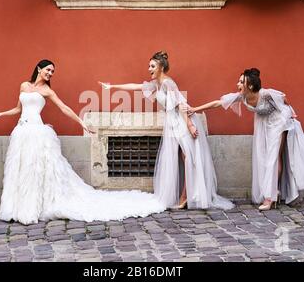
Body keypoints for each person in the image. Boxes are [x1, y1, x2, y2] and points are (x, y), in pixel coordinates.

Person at [0, 59, 165, 225]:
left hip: (38, 133)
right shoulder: (24, 86)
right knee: (22, 169)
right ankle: (17, 208)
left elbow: (64, 108)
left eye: (52, 72)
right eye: (48, 70)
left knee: (36, 170)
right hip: (22, 132)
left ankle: (32, 209)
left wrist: (82, 123)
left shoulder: (48, 91)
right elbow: (18, 108)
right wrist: (0, 114)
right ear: (39, 69)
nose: (50, 73)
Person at [99, 51, 234, 211]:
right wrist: (113, 86)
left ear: (161, 67)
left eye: (152, 66)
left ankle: (187, 196)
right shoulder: (157, 84)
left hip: (182, 121)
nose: (149, 69)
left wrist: (190, 125)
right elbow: (136, 86)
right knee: (184, 157)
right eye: (149, 66)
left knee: (189, 157)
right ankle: (186, 195)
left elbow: (180, 104)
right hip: (172, 122)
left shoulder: (168, 83)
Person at [185, 68, 304, 210]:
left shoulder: (266, 94)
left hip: (279, 122)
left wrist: (291, 114)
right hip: (263, 124)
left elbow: (284, 98)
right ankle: (274, 191)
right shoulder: (242, 97)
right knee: (263, 157)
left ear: (250, 85)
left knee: (273, 158)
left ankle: (270, 197)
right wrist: (195, 109)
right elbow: (218, 103)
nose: (237, 84)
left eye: (241, 82)